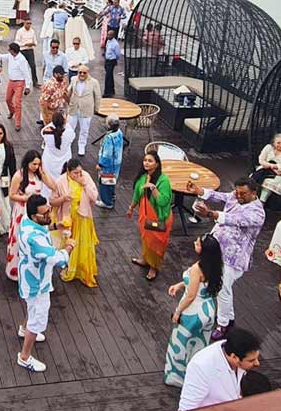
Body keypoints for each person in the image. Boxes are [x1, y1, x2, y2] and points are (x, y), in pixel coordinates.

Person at [182, 178, 265, 339]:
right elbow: (219, 197)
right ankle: (229, 318)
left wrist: (210, 214)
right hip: (216, 250)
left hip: (233, 258)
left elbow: (234, 220)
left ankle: (223, 324)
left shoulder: (257, 213)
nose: (238, 196)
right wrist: (199, 191)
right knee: (221, 288)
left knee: (222, 290)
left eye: (243, 193)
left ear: (254, 193)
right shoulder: (235, 195)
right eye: (237, 192)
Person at [16, 194, 74, 372]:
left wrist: (56, 226)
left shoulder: (27, 221)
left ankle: (23, 328)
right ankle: (24, 356)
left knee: (31, 307)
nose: (50, 214)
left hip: (27, 275)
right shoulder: (36, 240)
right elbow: (56, 258)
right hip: (37, 282)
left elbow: (43, 227)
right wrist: (69, 247)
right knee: (38, 317)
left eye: (49, 210)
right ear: (35, 216)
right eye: (46, 213)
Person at [164, 235, 223, 387]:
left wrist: (177, 312)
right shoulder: (214, 264)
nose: (194, 243)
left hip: (193, 311)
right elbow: (198, 284)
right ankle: (196, 373)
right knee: (199, 343)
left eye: (197, 243)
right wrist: (180, 285)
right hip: (208, 309)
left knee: (181, 342)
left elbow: (191, 296)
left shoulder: (198, 268)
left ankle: (177, 376)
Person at [176, 328, 261, 411]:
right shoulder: (200, 367)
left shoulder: (234, 348)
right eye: (251, 360)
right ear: (234, 357)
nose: (257, 363)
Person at [6, 150, 59, 280]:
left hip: (36, 211)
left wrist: (43, 172)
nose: (36, 166)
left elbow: (53, 186)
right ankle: (15, 269)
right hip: (22, 210)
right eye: (34, 164)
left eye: (38, 164)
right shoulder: (19, 175)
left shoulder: (38, 175)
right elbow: (12, 195)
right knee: (19, 238)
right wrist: (26, 198)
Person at [128, 151, 174, 281]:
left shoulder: (163, 181)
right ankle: (144, 260)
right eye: (145, 160)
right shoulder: (142, 178)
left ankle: (154, 267)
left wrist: (153, 188)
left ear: (157, 164)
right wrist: (131, 208)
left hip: (159, 219)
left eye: (150, 161)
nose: (146, 163)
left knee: (157, 244)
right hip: (146, 218)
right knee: (146, 239)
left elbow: (163, 201)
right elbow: (136, 195)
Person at [55, 158, 99, 287]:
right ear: (68, 172)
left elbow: (94, 197)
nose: (78, 175)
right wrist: (63, 198)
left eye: (80, 172)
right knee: (69, 243)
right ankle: (71, 268)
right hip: (68, 218)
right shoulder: (61, 181)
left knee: (84, 244)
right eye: (75, 173)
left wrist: (84, 184)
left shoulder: (85, 177)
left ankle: (84, 270)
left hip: (83, 217)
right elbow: (53, 201)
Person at [65, 65, 101, 157]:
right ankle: (68, 143)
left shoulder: (94, 82)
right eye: (80, 72)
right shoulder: (73, 79)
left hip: (86, 110)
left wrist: (96, 109)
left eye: (84, 73)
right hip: (74, 108)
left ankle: (81, 146)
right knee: (69, 128)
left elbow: (97, 97)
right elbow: (69, 91)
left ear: (87, 73)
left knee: (84, 130)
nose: (81, 74)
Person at [253, 133, 281, 200]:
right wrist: (272, 166)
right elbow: (261, 160)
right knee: (254, 177)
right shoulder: (268, 147)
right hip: (266, 169)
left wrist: (276, 167)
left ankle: (262, 201)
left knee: (268, 182)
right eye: (278, 143)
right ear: (273, 143)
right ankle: (252, 197)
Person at [3, 41, 33, 131]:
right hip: (11, 81)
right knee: (7, 99)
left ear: (13, 51)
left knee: (17, 103)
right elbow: (1, 57)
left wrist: (27, 86)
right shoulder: (10, 56)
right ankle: (12, 111)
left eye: (9, 50)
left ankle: (18, 123)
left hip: (19, 83)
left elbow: (26, 73)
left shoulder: (22, 60)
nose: (8, 51)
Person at [95, 114, 123, 208]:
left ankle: (106, 202)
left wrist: (100, 164)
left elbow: (107, 154)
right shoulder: (119, 132)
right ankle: (112, 196)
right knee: (112, 180)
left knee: (105, 182)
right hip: (117, 162)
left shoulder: (109, 138)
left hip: (108, 165)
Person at [41, 112, 74, 183]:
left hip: (49, 161)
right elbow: (71, 131)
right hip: (64, 161)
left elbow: (43, 130)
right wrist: (66, 122)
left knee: (48, 181)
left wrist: (53, 122)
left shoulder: (46, 133)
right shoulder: (69, 133)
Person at [15, 18, 39, 83]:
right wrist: (25, 44)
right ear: (24, 23)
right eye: (27, 23)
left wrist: (33, 44)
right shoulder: (20, 31)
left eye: (30, 23)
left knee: (33, 66)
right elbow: (17, 42)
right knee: (21, 67)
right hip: (22, 50)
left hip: (30, 50)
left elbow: (35, 41)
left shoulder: (32, 31)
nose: (29, 25)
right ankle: (20, 81)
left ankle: (35, 81)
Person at [103, 28, 122, 97]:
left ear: (113, 36)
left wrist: (114, 60)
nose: (108, 36)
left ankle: (107, 92)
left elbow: (118, 54)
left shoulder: (115, 44)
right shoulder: (108, 41)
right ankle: (111, 90)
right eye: (107, 34)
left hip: (111, 61)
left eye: (109, 35)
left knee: (108, 77)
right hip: (107, 60)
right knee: (109, 76)